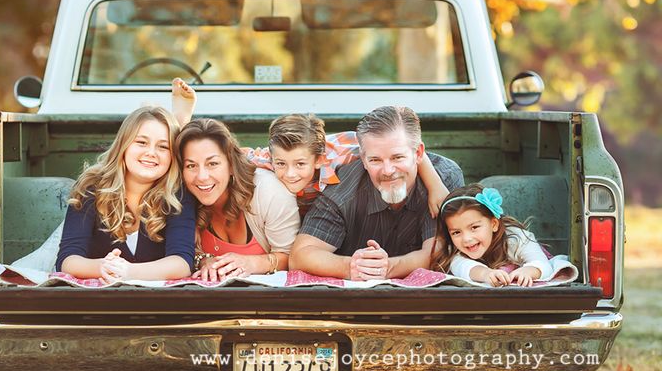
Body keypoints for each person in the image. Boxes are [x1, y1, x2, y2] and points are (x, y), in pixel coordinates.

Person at [169, 79, 449, 218]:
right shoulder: (267, 161)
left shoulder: (342, 149)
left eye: (300, 164)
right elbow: (215, 154)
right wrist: (183, 119)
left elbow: (398, 149)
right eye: (282, 164)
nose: (289, 173)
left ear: (318, 159)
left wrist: (435, 185)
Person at [289, 106, 464, 280]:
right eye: (375, 160)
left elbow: (440, 251)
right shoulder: (342, 188)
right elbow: (300, 256)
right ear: (363, 159)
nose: (387, 170)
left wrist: (386, 268)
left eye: (397, 157)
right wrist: (351, 266)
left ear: (418, 153)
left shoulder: (443, 179)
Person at [56, 106, 196, 283]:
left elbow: (182, 263)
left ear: (172, 156)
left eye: (163, 146)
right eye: (141, 142)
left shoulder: (177, 195)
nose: (151, 153)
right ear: (124, 144)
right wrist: (102, 267)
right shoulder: (91, 187)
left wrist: (128, 271)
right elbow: (68, 259)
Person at [176, 118, 300, 282]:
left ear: (231, 165)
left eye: (212, 163)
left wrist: (251, 263)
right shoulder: (182, 198)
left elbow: (292, 258)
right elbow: (184, 252)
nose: (202, 177)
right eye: (191, 166)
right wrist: (205, 261)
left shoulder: (268, 191)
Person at [430, 183, 552, 287]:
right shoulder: (455, 250)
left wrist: (528, 271)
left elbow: (542, 264)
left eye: (474, 227)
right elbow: (464, 267)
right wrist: (485, 274)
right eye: (456, 232)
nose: (466, 239)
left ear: (494, 224)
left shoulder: (516, 239)